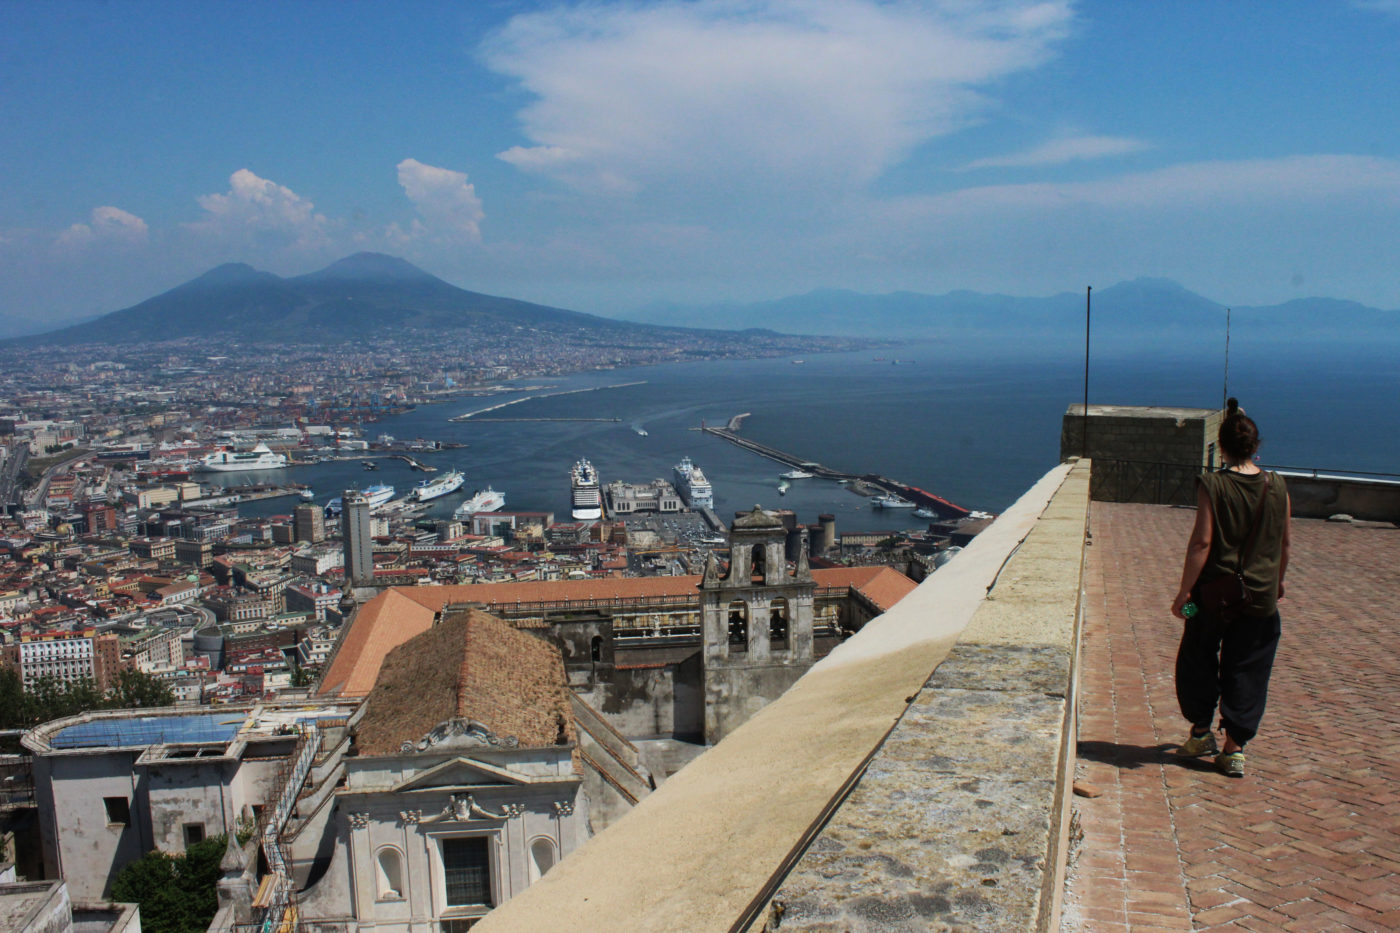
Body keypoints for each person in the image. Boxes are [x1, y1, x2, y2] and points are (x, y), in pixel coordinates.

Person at [1171, 398, 1291, 778]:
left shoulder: (1213, 484)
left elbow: (1201, 543)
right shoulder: (1278, 486)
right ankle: (1234, 750)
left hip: (1211, 598)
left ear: (1221, 447)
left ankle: (1201, 732)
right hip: (1261, 599)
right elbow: (1284, 543)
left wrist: (1183, 593)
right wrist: (1279, 580)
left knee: (1196, 657)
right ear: (1256, 447)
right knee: (1249, 670)